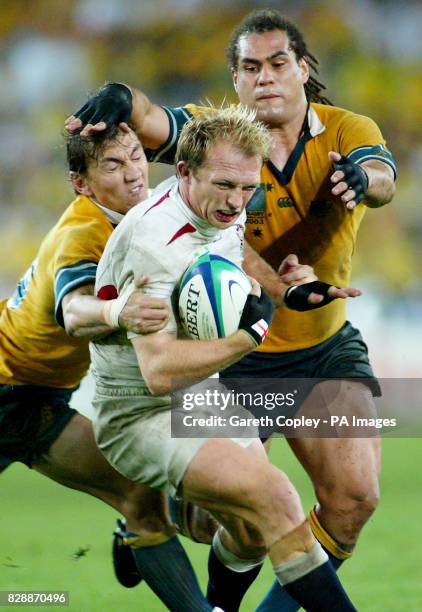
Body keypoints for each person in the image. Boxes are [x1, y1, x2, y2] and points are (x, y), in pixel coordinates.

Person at [66, 8, 397, 611]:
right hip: (220, 359)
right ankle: (150, 511)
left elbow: (382, 176)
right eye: (250, 67)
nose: (265, 77)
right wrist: (119, 96)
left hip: (317, 347)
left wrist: (358, 179)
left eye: (277, 64)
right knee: (229, 519)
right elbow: (153, 119)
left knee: (352, 501)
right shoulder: (217, 140)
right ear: (235, 80)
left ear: (303, 69)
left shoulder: (346, 130)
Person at [88, 104, 361, 612]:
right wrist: (246, 338)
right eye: (225, 186)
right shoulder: (154, 243)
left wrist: (282, 290)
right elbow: (157, 373)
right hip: (139, 411)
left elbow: (233, 249)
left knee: (252, 534)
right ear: (184, 172)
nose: (237, 203)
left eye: (247, 188)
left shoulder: (215, 206)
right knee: (278, 498)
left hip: (202, 392)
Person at [0, 123, 221, 612]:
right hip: (8, 388)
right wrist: (116, 310)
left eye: (137, 156)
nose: (133, 173)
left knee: (139, 500)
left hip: (37, 397)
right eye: (112, 165)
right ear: (81, 182)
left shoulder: (147, 219)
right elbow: (75, 313)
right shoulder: (82, 233)